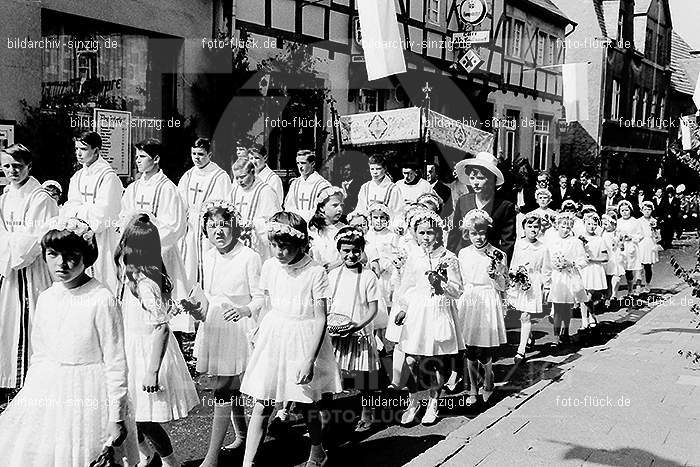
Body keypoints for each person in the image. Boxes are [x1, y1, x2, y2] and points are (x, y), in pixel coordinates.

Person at [0, 218, 138, 466]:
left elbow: (116, 362)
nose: (61, 263)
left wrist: (116, 416)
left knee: (86, 454)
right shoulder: (47, 298)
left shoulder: (101, 299)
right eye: (53, 254)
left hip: (90, 394)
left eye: (71, 255)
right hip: (51, 389)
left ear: (87, 256)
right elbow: (40, 354)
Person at [240, 211, 342, 467]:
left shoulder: (315, 272)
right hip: (274, 335)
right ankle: (248, 462)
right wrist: (249, 314)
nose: (278, 252)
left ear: (301, 244)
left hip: (304, 338)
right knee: (263, 402)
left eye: (285, 246)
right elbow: (264, 300)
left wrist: (309, 359)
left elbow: (321, 318)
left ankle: (317, 451)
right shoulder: (270, 266)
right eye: (274, 245)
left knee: (307, 403)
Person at [115, 214, 199, 467]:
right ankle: (145, 455)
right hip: (131, 348)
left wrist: (152, 371)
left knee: (145, 419)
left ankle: (169, 460)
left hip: (147, 353)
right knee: (130, 413)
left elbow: (161, 328)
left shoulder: (146, 284)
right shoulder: (129, 277)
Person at [194, 201, 263, 465]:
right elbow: (209, 293)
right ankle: (243, 434)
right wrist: (196, 307)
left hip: (238, 328)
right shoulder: (209, 255)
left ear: (234, 226)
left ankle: (211, 457)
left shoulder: (249, 257)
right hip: (214, 326)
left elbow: (259, 297)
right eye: (212, 226)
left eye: (223, 225)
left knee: (224, 388)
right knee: (228, 386)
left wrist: (245, 310)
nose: (218, 232)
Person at [394, 209, 462, 424]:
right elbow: (407, 286)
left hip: (440, 311)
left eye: (430, 232)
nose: (426, 237)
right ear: (415, 234)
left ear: (438, 233)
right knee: (412, 360)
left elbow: (458, 290)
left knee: (437, 362)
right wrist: (404, 307)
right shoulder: (414, 257)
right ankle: (414, 401)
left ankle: (433, 402)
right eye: (421, 233)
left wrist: (442, 282)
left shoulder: (449, 258)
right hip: (418, 313)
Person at [0, 144, 59, 389]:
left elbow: (36, 238)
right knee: (8, 321)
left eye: (17, 166)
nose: (12, 171)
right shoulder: (4, 197)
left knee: (33, 320)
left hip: (32, 269)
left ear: (29, 167)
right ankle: (11, 379)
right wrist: (9, 245)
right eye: (6, 166)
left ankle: (34, 382)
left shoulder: (40, 198)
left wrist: (11, 246)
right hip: (8, 268)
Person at [328, 226, 380, 432]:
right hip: (337, 332)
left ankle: (368, 413)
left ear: (362, 250)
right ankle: (328, 415)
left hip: (360, 332)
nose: (351, 255)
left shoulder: (368, 276)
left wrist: (357, 325)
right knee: (330, 374)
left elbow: (373, 308)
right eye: (346, 251)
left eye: (356, 250)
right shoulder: (333, 275)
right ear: (339, 251)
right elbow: (327, 303)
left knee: (363, 378)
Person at [61, 131, 123, 294]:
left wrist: (79, 214)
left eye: (83, 149)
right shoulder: (77, 176)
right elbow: (69, 206)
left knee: (102, 283)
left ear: (96, 150)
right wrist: (77, 217)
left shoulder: (109, 177)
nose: (78, 154)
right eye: (76, 149)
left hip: (101, 239)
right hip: (78, 236)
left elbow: (105, 213)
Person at [456, 209, 508, 405]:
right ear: (467, 233)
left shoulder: (497, 254)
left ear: (488, 232)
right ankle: (472, 388)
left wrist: (495, 276)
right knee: (470, 348)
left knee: (484, 348)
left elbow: (504, 284)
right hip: (469, 300)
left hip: (487, 299)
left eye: (481, 232)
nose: (478, 237)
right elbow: (460, 281)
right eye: (473, 233)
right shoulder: (463, 253)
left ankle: (488, 381)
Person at [178, 137, 232, 287]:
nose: (196, 158)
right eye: (194, 153)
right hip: (189, 224)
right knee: (188, 261)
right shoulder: (188, 175)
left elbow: (224, 205)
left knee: (207, 260)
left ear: (210, 154)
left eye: (201, 154)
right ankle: (187, 298)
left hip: (208, 226)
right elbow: (180, 201)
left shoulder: (220, 176)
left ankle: (207, 294)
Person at [447, 152, 516, 262]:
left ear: (491, 179)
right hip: (464, 257)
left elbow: (507, 241)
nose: (475, 183)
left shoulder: (505, 206)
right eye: (472, 178)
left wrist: (500, 265)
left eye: (480, 178)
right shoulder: (463, 201)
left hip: (489, 260)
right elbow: (455, 233)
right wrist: (449, 258)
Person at [508, 213, 549, 364]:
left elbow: (546, 268)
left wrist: (547, 286)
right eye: (529, 226)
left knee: (525, 316)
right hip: (519, 281)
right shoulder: (518, 244)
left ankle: (521, 350)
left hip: (534, 282)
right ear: (524, 228)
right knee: (522, 314)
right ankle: (529, 335)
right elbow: (513, 262)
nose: (533, 229)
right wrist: (512, 277)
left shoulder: (543, 247)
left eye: (536, 227)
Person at [544, 212, 588, 345]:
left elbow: (583, 260)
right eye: (562, 227)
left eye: (568, 228)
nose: (565, 230)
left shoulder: (575, 242)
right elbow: (546, 263)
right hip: (557, 277)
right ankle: (556, 337)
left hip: (569, 276)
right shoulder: (551, 242)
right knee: (557, 306)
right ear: (557, 226)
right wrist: (546, 282)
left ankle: (566, 331)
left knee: (567, 306)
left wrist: (571, 263)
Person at [230, 158, 281, 261]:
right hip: (237, 242)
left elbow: (274, 221)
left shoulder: (266, 191)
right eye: (237, 178)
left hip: (259, 243)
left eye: (243, 177)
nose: (240, 181)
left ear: (253, 172)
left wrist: (253, 225)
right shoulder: (234, 192)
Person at [579, 212, 608, 337]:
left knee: (589, 295)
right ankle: (586, 319)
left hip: (594, 269)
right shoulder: (579, 238)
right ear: (584, 223)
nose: (591, 226)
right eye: (589, 224)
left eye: (594, 224)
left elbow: (605, 257)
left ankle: (591, 315)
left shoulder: (599, 239)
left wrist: (593, 259)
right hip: (583, 268)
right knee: (583, 294)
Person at [283, 149, 332, 223]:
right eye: (298, 163)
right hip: (295, 225)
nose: (300, 167)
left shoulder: (322, 185)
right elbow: (288, 207)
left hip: (314, 225)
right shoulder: (295, 183)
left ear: (312, 164)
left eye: (303, 163)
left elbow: (324, 210)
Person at [308, 186, 346, 271]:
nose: (340, 209)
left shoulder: (344, 230)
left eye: (341, 205)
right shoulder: (312, 230)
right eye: (335, 205)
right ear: (322, 207)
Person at [355, 154, 403, 221]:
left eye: (378, 169)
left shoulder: (393, 189)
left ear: (385, 168)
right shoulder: (365, 187)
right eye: (372, 169)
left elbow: (398, 213)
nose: (375, 172)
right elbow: (360, 208)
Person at [617, 200, 644, 298]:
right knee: (627, 269)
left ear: (630, 210)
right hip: (623, 247)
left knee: (636, 267)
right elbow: (616, 234)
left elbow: (641, 235)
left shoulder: (635, 221)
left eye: (626, 210)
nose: (624, 212)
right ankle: (630, 289)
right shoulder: (618, 222)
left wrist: (632, 238)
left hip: (633, 246)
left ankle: (638, 287)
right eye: (622, 210)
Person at [601, 213, 624, 308]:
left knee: (613, 276)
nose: (604, 226)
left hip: (614, 256)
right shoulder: (603, 233)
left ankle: (612, 296)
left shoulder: (617, 233)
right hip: (606, 256)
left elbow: (621, 246)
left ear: (613, 224)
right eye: (604, 224)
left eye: (606, 224)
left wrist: (619, 243)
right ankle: (606, 295)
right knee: (606, 278)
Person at [637, 201, 660, 294]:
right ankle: (638, 285)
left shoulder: (654, 221)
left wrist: (654, 229)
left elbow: (658, 236)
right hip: (640, 243)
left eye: (649, 209)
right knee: (638, 266)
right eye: (645, 209)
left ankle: (647, 284)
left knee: (648, 266)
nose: (647, 211)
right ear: (641, 210)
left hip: (650, 243)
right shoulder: (638, 221)